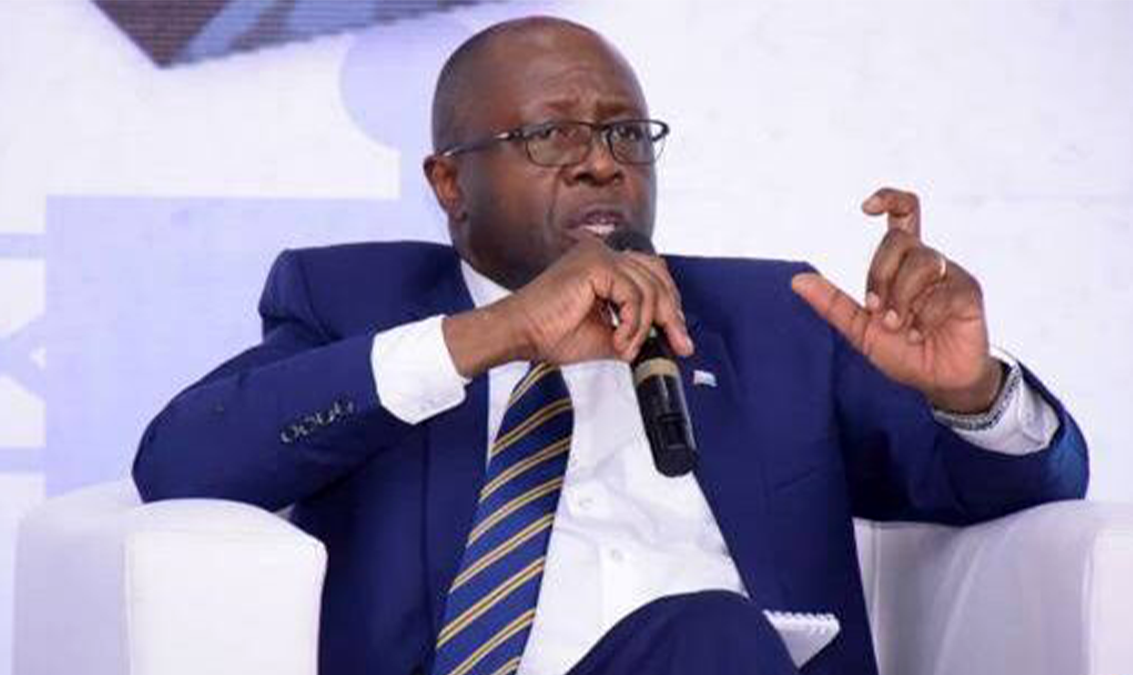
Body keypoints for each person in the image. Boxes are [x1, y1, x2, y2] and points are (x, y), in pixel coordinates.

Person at [132, 16, 1088, 675]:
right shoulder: (352, 299)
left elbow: (1007, 490)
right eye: (552, 134)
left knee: (710, 637)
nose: (602, 161)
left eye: (627, 133)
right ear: (449, 183)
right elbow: (180, 461)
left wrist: (969, 391)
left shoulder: (772, 317)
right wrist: (489, 335)